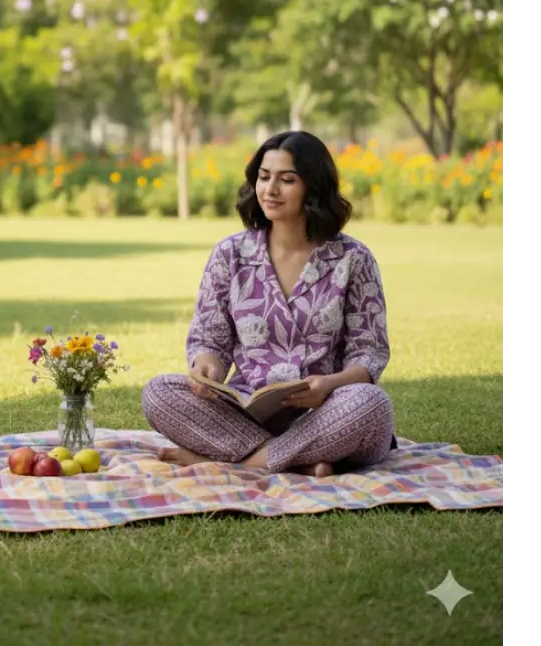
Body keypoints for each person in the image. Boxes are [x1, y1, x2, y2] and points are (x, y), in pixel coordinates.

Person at [142, 130, 395, 477]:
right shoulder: (231, 254)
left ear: (314, 187)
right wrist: (207, 368)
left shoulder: (353, 258)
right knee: (158, 393)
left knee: (371, 404)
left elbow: (369, 353)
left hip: (330, 412)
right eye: (264, 177)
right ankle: (300, 462)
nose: (270, 190)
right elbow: (210, 339)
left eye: (286, 180)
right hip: (245, 415)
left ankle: (237, 463)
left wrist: (329, 386)